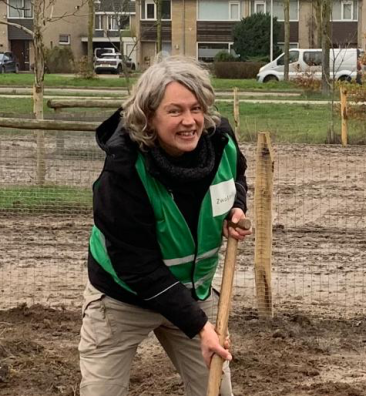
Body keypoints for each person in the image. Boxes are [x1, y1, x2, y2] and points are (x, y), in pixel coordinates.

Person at [78, 56, 251, 396]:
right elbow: (137, 266)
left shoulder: (221, 143)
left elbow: (236, 178)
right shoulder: (124, 170)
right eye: (175, 111)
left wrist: (236, 207)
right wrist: (202, 328)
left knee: (214, 391)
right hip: (123, 298)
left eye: (196, 108)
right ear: (149, 117)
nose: (190, 121)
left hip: (192, 293)